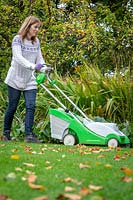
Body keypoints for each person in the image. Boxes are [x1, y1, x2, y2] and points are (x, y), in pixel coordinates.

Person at [3, 15, 51, 143]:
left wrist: (44, 68)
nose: (37, 30)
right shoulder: (17, 39)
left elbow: (39, 59)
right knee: (12, 106)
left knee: (31, 105)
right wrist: (33, 66)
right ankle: (6, 133)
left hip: (30, 79)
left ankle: (29, 135)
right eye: (35, 27)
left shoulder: (36, 42)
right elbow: (18, 57)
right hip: (15, 78)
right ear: (28, 26)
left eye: (38, 28)